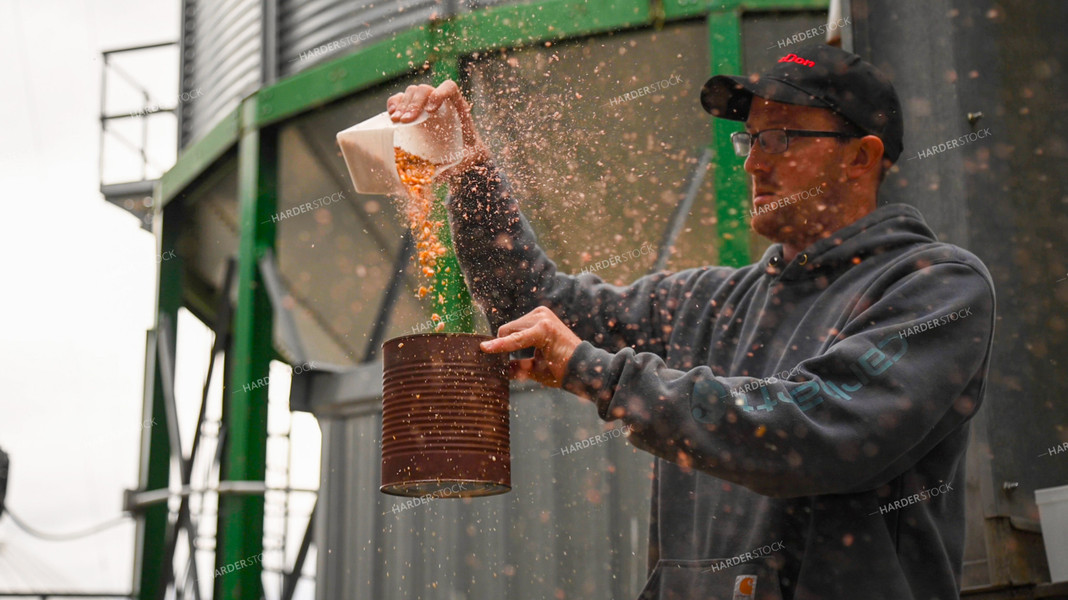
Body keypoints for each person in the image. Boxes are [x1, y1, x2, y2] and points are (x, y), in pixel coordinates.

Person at [387, 43, 996, 600]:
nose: (755, 163)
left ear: (862, 157)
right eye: (749, 140)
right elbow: (536, 305)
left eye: (780, 138)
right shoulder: (712, 300)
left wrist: (598, 374)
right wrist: (467, 171)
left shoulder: (934, 286)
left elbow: (816, 427)